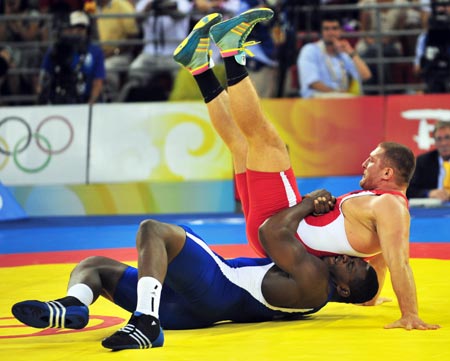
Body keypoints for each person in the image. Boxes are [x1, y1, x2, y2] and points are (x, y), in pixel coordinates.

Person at [173, 8, 439, 330]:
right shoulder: (384, 210)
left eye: (372, 161)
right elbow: (382, 258)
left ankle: (229, 50)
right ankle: (200, 67)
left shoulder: (388, 205)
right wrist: (370, 296)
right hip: (276, 236)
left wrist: (409, 313)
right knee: (241, 146)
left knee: (266, 141)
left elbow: (399, 262)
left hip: (281, 223)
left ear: (388, 175)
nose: (364, 163)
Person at [12, 195, 379, 350]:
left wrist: (307, 203)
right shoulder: (315, 291)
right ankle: (75, 305)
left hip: (216, 286)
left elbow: (270, 231)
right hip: (188, 312)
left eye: (353, 267)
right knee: (94, 267)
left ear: (343, 291)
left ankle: (145, 322)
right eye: (354, 258)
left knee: (154, 230)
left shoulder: (315, 280)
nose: (348, 258)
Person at [296, 12, 372, 98]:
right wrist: (338, 94)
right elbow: (313, 83)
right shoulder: (310, 50)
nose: (331, 33)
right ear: (321, 32)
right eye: (326, 29)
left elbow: (366, 76)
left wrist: (351, 52)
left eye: (334, 28)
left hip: (343, 99)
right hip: (317, 99)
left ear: (340, 31)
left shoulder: (344, 54)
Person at [37, 10, 106, 104]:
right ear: (69, 29)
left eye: (82, 28)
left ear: (88, 31)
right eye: (75, 28)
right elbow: (44, 76)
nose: (78, 32)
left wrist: (90, 103)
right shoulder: (56, 49)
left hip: (86, 100)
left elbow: (98, 80)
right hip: (59, 99)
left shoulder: (96, 51)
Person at [95, 0, 140, 102]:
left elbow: (132, 36)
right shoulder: (92, 6)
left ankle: (113, 103)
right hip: (99, 54)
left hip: (121, 55)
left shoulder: (121, 5)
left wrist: (114, 51)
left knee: (106, 68)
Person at [407, 121, 450, 201]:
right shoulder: (423, 161)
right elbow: (409, 190)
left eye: (447, 137)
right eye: (439, 139)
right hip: (431, 209)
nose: (443, 143)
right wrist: (429, 193)